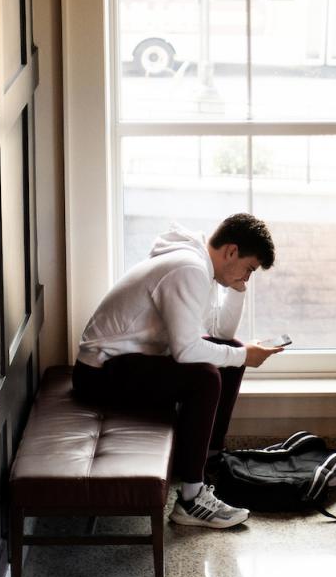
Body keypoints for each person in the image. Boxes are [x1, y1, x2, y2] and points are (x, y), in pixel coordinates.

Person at [72, 213, 285, 528]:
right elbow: (186, 351)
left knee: (228, 360)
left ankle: (208, 462)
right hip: (98, 373)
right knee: (206, 376)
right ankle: (191, 499)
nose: (248, 276)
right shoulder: (189, 269)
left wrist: (238, 289)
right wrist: (242, 355)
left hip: (125, 362)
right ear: (231, 252)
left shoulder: (200, 266)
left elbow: (221, 332)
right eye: (249, 269)